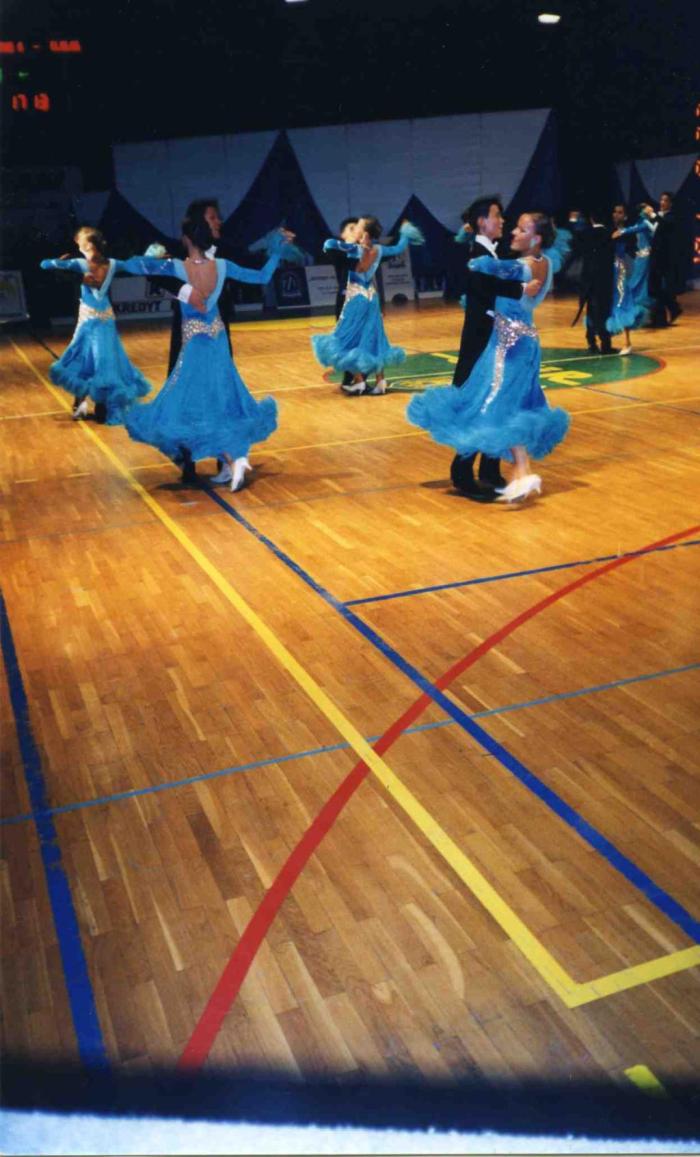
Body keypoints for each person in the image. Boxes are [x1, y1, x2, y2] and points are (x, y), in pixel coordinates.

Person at [407, 212, 570, 504]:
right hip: (524, 343)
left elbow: (498, 269)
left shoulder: (524, 266)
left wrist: (480, 261)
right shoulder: (544, 261)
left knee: (488, 403)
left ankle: (510, 471)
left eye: (521, 229)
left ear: (536, 238)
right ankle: (514, 471)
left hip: (508, 346)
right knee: (510, 405)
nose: (513, 232)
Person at [122, 213, 293, 492]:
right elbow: (262, 276)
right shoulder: (222, 266)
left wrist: (148, 257)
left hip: (195, 344)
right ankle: (229, 462)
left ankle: (234, 460)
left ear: (186, 239)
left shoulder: (177, 267)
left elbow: (132, 267)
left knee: (193, 402)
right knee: (222, 398)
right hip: (218, 341)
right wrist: (276, 252)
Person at [450, 196, 543, 501]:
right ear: (482, 222)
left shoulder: (493, 251)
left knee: (494, 401)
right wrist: (521, 288)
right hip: (480, 341)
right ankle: (462, 473)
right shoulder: (476, 253)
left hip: (494, 339)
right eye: (496, 215)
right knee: (479, 403)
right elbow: (483, 285)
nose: (502, 221)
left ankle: (489, 471)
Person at [40, 227, 151, 424]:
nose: (78, 247)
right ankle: (95, 405)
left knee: (88, 359)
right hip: (102, 321)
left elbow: (45, 264)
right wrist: (154, 259)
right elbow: (135, 265)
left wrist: (60, 263)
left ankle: (87, 403)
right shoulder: (112, 264)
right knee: (102, 361)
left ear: (89, 245)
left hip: (93, 322)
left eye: (80, 243)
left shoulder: (81, 264)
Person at [312, 217, 424, 396]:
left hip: (355, 298)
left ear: (364, 233)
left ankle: (358, 382)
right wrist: (405, 233)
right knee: (375, 338)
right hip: (372, 297)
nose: (355, 228)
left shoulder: (354, 250)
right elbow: (398, 248)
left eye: (357, 226)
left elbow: (331, 245)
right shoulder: (379, 249)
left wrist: (337, 244)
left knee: (351, 339)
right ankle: (380, 382)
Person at [325, 217, 365, 390]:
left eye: (358, 228)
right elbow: (331, 248)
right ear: (342, 234)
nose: (356, 230)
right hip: (345, 300)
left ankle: (362, 377)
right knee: (347, 340)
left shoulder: (366, 251)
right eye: (351, 228)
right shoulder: (337, 251)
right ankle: (350, 376)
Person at [577, 209, 615, 355]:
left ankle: (591, 341)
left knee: (591, 311)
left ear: (592, 219)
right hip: (604, 280)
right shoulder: (609, 234)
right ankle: (605, 344)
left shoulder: (585, 233)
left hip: (588, 279)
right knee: (603, 311)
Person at [605, 203, 642, 355]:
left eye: (620, 212)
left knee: (622, 301)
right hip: (607, 270)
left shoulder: (627, 232)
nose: (616, 214)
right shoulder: (608, 230)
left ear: (625, 216)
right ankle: (606, 341)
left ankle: (627, 342)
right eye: (615, 211)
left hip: (620, 270)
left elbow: (631, 250)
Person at [647, 191, 683, 327]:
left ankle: (667, 313)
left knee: (659, 288)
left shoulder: (671, 217)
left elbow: (665, 224)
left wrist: (653, 214)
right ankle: (670, 310)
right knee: (654, 288)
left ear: (671, 204)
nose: (662, 202)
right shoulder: (660, 216)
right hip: (656, 256)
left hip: (665, 258)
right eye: (661, 200)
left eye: (666, 200)